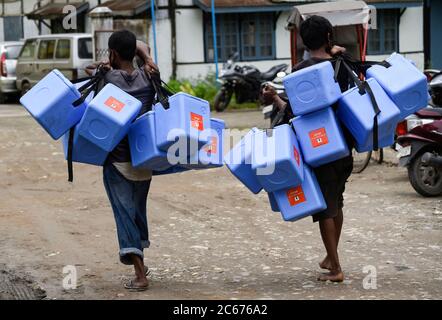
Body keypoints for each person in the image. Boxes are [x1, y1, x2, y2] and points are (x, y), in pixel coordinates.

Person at [262, 15, 364, 282]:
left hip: (319, 147)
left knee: (324, 208)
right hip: (344, 145)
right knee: (336, 201)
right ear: (329, 37)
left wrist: (274, 98)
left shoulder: (300, 71)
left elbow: (294, 114)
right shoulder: (341, 65)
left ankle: (336, 269)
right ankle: (331, 256)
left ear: (303, 41)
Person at [86, 30, 159, 291]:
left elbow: (89, 72)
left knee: (125, 216)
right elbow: (139, 45)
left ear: (113, 53)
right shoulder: (149, 76)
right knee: (137, 213)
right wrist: (146, 56)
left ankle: (140, 275)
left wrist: (105, 65)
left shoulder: (107, 79)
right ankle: (141, 262)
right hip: (146, 160)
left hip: (117, 161)